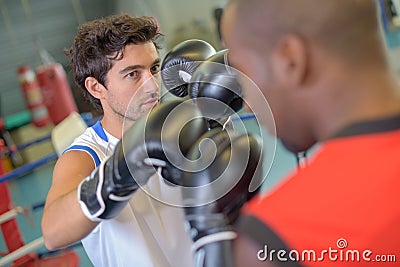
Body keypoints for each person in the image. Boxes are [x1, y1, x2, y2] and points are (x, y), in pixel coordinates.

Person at [184, 0, 400, 266]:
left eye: (244, 75)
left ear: (290, 60)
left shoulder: (278, 234)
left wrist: (214, 241)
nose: (247, 101)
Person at [41, 14, 199, 267]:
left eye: (154, 69)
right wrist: (120, 172)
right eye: (132, 74)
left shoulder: (182, 127)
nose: (151, 86)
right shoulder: (85, 156)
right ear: (96, 88)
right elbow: (53, 233)